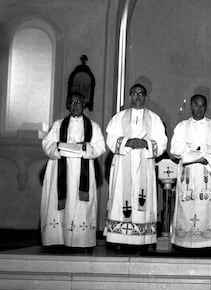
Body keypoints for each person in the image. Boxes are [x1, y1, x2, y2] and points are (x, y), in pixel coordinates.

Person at [104, 83, 167, 251]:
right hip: (123, 162)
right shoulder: (119, 117)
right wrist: (127, 142)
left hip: (144, 164)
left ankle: (142, 239)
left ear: (145, 97)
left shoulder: (154, 119)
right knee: (120, 198)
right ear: (130, 96)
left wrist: (145, 143)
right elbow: (110, 139)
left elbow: (162, 142)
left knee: (142, 202)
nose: (138, 96)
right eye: (134, 93)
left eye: (141, 94)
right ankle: (119, 238)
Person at [40, 92, 105, 251]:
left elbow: (100, 147)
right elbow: (47, 143)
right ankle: (57, 240)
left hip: (82, 171)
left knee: (80, 206)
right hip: (60, 170)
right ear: (68, 105)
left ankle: (80, 241)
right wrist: (57, 148)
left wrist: (85, 147)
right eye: (72, 102)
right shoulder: (58, 124)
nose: (75, 106)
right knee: (59, 203)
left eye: (78, 103)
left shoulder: (93, 126)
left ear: (84, 105)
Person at [169, 94, 211, 249]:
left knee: (206, 206)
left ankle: (207, 241)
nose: (199, 108)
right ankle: (183, 241)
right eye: (196, 105)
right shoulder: (182, 127)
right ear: (191, 106)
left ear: (206, 107)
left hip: (206, 173)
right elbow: (175, 149)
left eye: (202, 105)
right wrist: (199, 156)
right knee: (185, 205)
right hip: (187, 174)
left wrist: (203, 159)